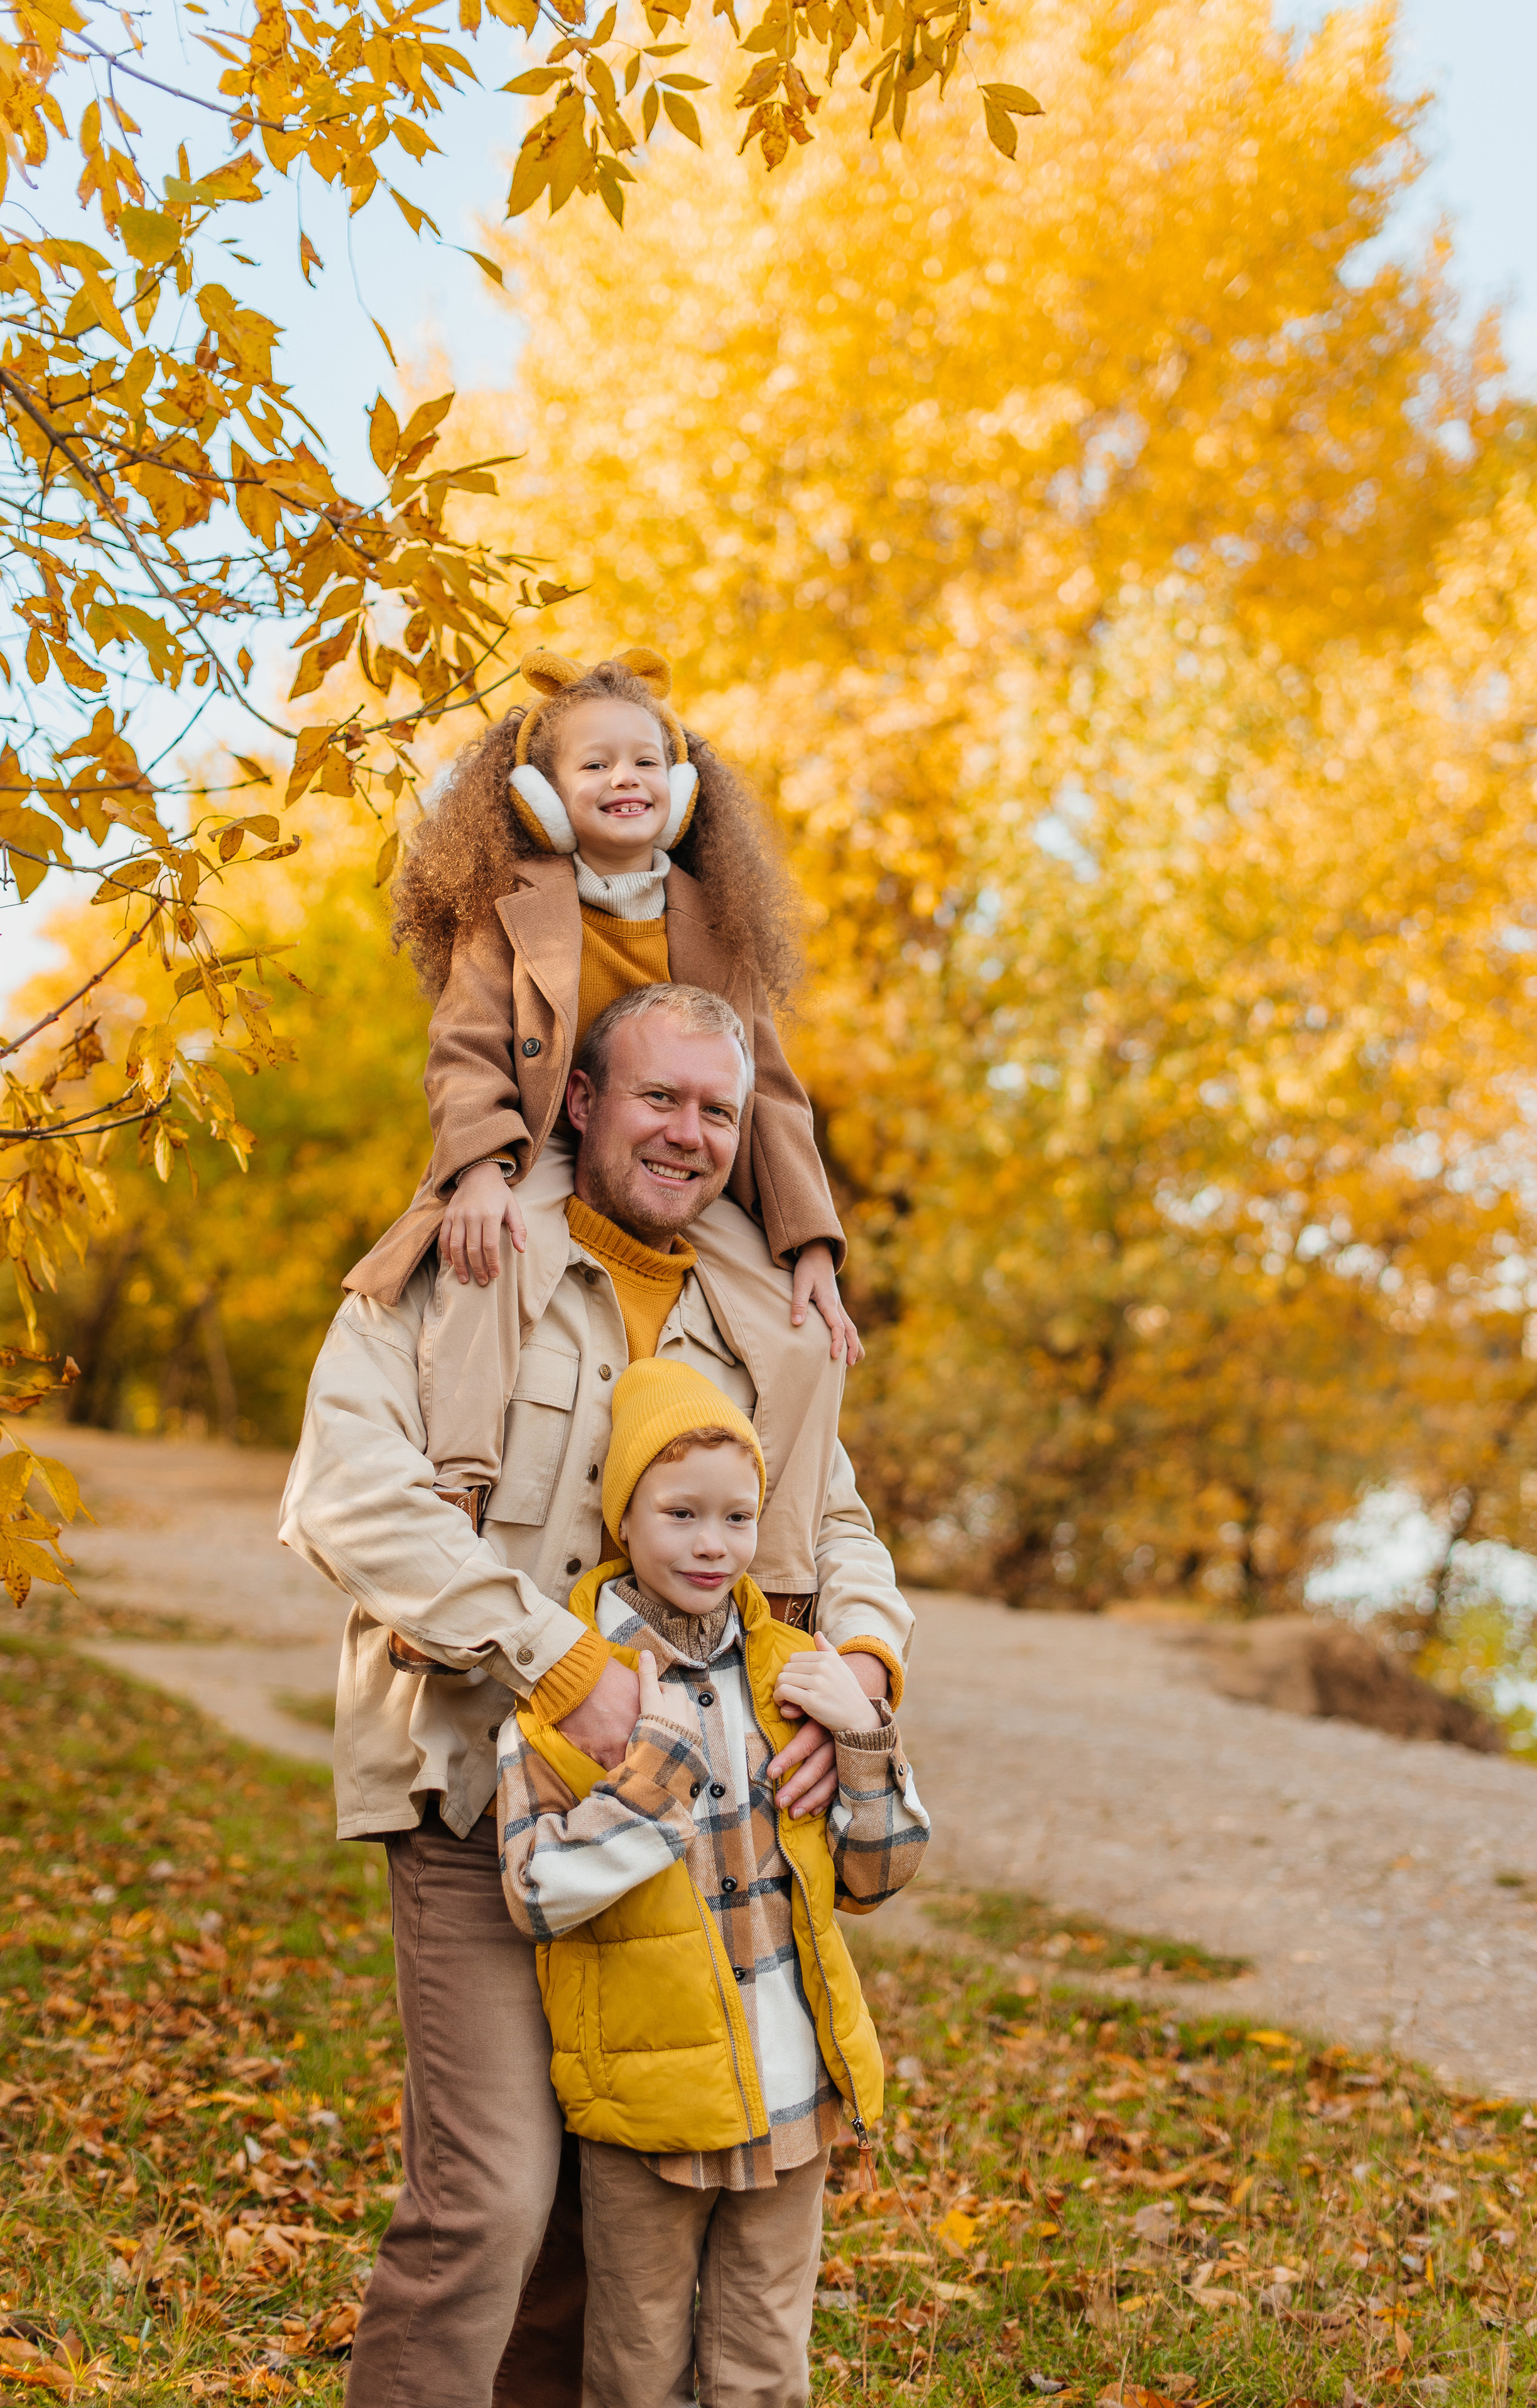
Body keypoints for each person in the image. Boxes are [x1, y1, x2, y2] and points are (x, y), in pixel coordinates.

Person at [279, 984, 911, 2408]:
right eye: (656, 1097)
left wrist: (857, 1667)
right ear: (578, 1099)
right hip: (480, 1801)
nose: (687, 1134)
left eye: (716, 1111)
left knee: (601, 2203)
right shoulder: (471, 1251)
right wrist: (553, 1660)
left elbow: (837, 1519)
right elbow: (345, 1495)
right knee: (494, 2198)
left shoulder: (756, 1311)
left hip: (687, 1838)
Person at [344, 646, 859, 1540]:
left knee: (806, 1333)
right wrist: (478, 1172)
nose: (626, 777)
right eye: (596, 763)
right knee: (487, 1258)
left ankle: (782, 1571)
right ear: (542, 796)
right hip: (545, 1143)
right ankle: (456, 1491)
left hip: (678, 1164)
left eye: (647, 761)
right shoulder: (508, 906)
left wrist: (810, 1243)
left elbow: (770, 1090)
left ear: (684, 787)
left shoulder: (717, 919)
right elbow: (465, 1046)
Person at [497, 1357, 927, 2408]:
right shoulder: (578, 1693)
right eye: (680, 1511)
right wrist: (655, 1770)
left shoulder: (790, 1670)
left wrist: (863, 1735)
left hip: (792, 2094)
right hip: (646, 2103)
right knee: (636, 2364)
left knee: (765, 2361)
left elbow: (878, 1873)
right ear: (624, 1518)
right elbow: (536, 1892)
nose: (710, 1542)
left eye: (738, 1516)